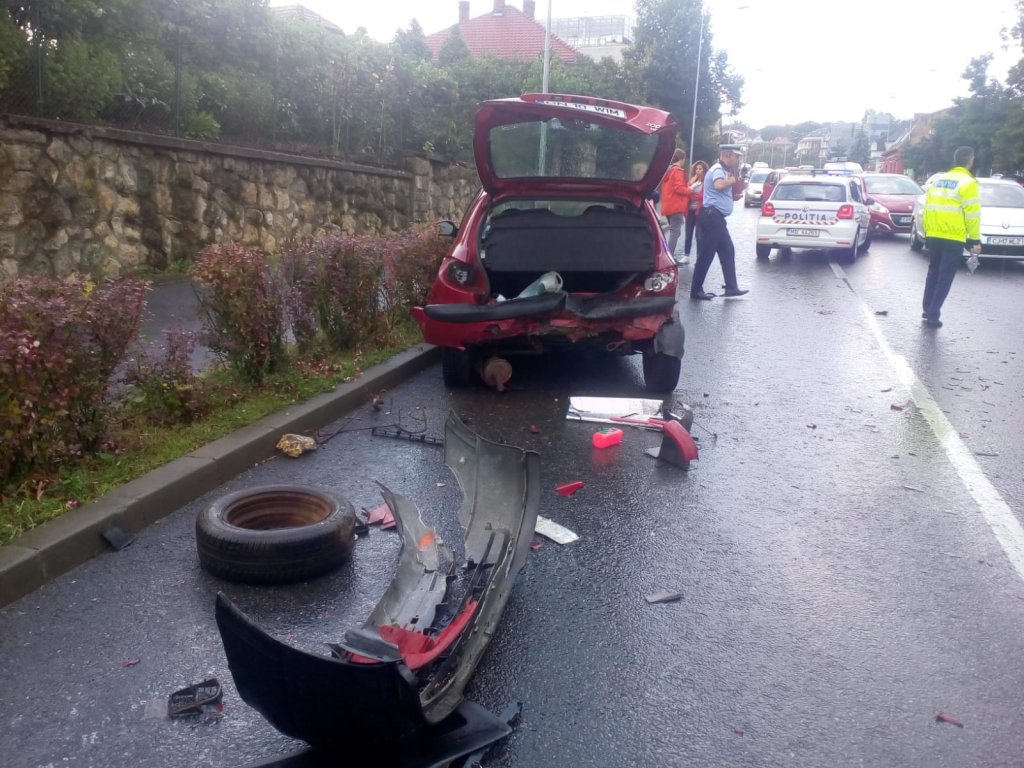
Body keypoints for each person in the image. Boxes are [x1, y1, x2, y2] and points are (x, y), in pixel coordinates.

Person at [920, 145, 981, 328]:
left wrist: (928, 232)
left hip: (934, 234)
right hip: (953, 236)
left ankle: (926, 308)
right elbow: (972, 214)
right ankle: (933, 314)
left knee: (933, 271)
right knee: (945, 276)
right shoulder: (968, 183)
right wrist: (975, 239)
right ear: (970, 160)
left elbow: (928, 208)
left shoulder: (939, 180)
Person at [690, 144, 749, 300]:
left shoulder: (723, 170)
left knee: (728, 251)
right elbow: (718, 185)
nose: (737, 160)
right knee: (706, 255)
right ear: (728, 155)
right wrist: (731, 181)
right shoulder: (718, 169)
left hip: (716, 219)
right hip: (712, 218)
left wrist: (731, 197)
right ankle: (696, 291)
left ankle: (731, 287)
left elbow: (718, 192)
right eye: (737, 157)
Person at [659, 148, 689, 264]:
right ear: (681, 159)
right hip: (676, 206)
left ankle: (666, 254)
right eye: (684, 159)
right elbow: (679, 188)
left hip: (668, 206)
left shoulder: (667, 171)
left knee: (675, 232)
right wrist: (690, 190)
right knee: (675, 232)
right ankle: (668, 259)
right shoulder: (678, 172)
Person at [683, 161, 708, 260]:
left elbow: (704, 195)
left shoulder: (706, 181)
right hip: (690, 211)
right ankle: (686, 255)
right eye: (696, 169)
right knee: (688, 234)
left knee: (699, 235)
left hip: (699, 212)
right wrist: (691, 181)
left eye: (700, 169)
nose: (698, 171)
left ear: (704, 170)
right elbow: (686, 191)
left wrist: (694, 196)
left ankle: (699, 257)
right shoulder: (692, 180)